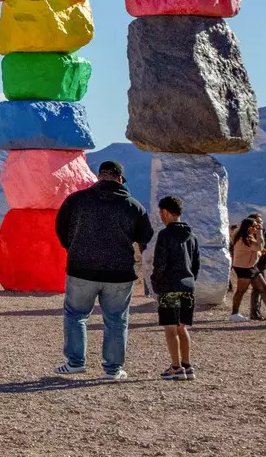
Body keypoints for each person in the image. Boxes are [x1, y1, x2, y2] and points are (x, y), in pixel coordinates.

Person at [52, 159, 153, 379]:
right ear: (120, 179)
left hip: (81, 269)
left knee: (76, 315)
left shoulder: (76, 201)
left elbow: (60, 227)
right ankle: (113, 369)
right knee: (116, 319)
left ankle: (75, 362)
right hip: (120, 273)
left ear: (99, 176)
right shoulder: (132, 205)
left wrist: (74, 247)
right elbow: (145, 235)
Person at [151, 197, 199, 381]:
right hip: (187, 286)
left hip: (169, 286)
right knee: (182, 328)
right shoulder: (192, 236)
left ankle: (176, 367)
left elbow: (160, 263)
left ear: (165, 212)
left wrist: (156, 281)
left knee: (170, 329)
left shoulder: (165, 235)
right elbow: (196, 264)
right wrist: (190, 280)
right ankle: (187, 365)